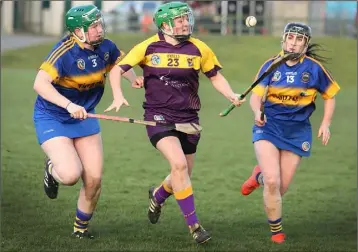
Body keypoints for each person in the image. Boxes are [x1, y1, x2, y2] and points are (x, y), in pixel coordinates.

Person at [110, 1, 245, 244]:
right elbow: (116, 70)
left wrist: (231, 94)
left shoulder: (199, 48)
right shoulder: (148, 47)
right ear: (165, 25)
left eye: (186, 18)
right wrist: (119, 94)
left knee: (182, 172)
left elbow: (215, 76)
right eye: (180, 20)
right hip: (158, 116)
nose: (186, 23)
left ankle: (157, 196)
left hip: (189, 118)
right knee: (179, 165)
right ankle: (195, 227)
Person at [33, 4, 141, 239]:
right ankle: (52, 169)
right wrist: (69, 105)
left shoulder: (106, 47)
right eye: (93, 26)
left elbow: (118, 63)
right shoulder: (63, 52)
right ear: (78, 31)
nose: (99, 30)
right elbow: (39, 84)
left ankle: (79, 229)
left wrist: (133, 79)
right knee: (70, 175)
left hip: (86, 116)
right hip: (53, 116)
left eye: (100, 24)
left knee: (94, 179)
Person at [240, 22, 340, 243]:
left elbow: (330, 96)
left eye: (299, 39)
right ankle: (277, 232)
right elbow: (256, 96)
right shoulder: (270, 65)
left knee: (280, 188)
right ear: (284, 40)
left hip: (298, 131)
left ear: (306, 43)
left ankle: (258, 176)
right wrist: (257, 110)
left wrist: (326, 122)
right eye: (290, 38)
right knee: (273, 182)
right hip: (269, 126)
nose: (293, 43)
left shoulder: (314, 68)